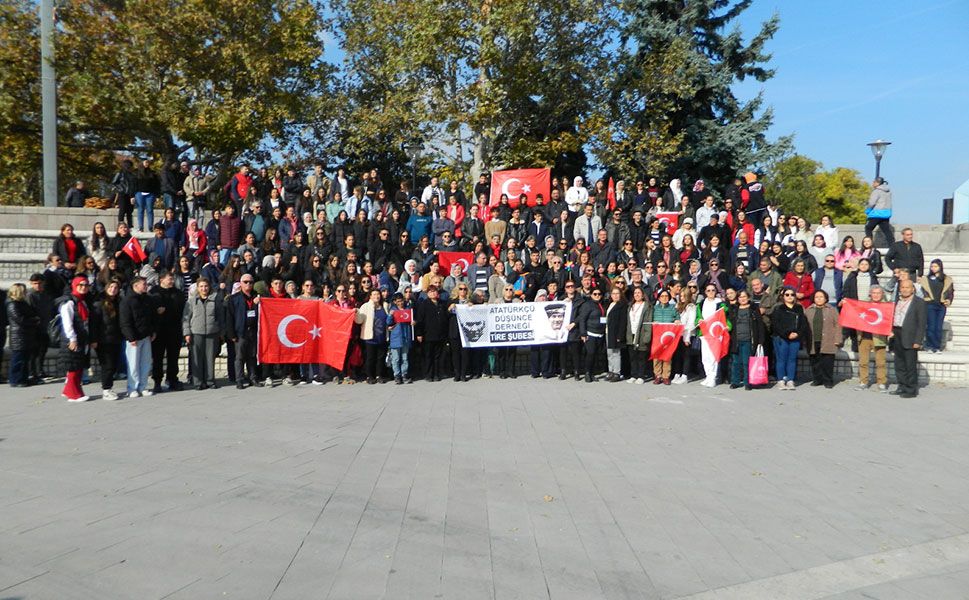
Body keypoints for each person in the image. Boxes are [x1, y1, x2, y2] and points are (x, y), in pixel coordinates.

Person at [182, 278, 223, 390]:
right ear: (198, 288)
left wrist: (220, 332)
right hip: (196, 333)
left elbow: (220, 317)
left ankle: (210, 381)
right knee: (197, 358)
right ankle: (198, 382)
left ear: (209, 287)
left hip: (212, 332)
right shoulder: (191, 301)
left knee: (210, 358)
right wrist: (187, 333)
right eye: (201, 286)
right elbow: (186, 318)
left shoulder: (215, 299)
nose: (204, 288)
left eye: (206, 286)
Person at [150, 270, 186, 393]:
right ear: (161, 279)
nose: (172, 281)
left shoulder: (179, 294)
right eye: (169, 279)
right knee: (158, 358)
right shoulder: (153, 293)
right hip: (159, 331)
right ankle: (157, 381)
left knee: (173, 357)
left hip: (174, 330)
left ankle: (172, 379)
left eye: (172, 279)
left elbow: (181, 310)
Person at [120, 276, 156, 398]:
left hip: (146, 336)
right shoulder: (127, 301)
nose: (146, 286)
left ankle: (143, 386)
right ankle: (132, 388)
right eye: (144, 284)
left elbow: (151, 317)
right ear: (135, 286)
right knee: (133, 364)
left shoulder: (147, 299)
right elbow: (125, 321)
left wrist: (152, 331)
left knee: (145, 363)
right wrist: (131, 337)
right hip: (134, 338)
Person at [59, 276, 93, 402]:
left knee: (78, 366)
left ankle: (72, 390)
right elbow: (67, 322)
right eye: (80, 285)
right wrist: (72, 338)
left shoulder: (82, 301)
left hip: (82, 337)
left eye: (86, 285)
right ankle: (73, 394)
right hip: (73, 338)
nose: (84, 288)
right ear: (74, 286)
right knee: (73, 367)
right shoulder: (69, 302)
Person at [227, 275, 264, 389]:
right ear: (241, 283)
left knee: (252, 356)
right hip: (240, 332)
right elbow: (229, 317)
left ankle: (253, 378)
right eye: (246, 282)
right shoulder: (234, 298)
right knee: (239, 357)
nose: (248, 284)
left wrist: (259, 303)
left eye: (251, 282)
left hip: (253, 331)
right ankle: (239, 379)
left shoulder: (257, 297)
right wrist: (231, 334)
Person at [892, 280, 926, 398]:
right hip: (897, 333)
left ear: (913, 289)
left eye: (907, 287)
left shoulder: (919, 302)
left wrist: (918, 341)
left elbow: (922, 324)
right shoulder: (897, 301)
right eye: (902, 287)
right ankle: (902, 386)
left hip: (910, 336)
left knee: (910, 365)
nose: (905, 289)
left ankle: (911, 389)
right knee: (899, 363)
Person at [771, 286, 808, 390]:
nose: (790, 296)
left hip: (795, 338)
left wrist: (797, 333)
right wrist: (787, 334)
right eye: (787, 295)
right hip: (782, 338)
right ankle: (781, 380)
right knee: (781, 359)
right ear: (783, 297)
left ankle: (790, 380)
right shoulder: (778, 309)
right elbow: (776, 325)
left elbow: (803, 324)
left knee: (792, 359)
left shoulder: (799, 308)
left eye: (792, 294)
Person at [727, 289, 765, 390]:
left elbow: (760, 325)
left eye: (744, 296)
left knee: (746, 362)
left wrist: (761, 340)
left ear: (748, 297)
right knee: (735, 362)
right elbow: (729, 323)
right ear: (737, 299)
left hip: (749, 340)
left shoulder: (753, 309)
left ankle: (747, 382)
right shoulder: (734, 309)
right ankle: (735, 381)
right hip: (736, 340)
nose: (742, 299)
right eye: (740, 297)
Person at [855, 285, 890, 393]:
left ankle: (881, 383)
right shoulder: (863, 305)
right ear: (870, 294)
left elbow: (889, 321)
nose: (876, 295)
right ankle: (863, 382)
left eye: (878, 293)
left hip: (879, 337)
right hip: (864, 336)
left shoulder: (887, 306)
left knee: (880, 362)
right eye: (874, 293)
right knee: (863, 361)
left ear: (882, 294)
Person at [5, 283, 39, 388]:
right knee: (18, 359)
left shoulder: (22, 303)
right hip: (18, 336)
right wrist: (34, 320)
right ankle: (15, 380)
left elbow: (31, 313)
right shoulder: (12, 304)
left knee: (25, 359)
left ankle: (23, 378)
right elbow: (20, 319)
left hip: (26, 335)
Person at [805, 289, 839, 388]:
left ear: (825, 298)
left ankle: (828, 380)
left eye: (821, 297)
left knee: (827, 361)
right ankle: (817, 379)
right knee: (815, 361)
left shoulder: (832, 310)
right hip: (813, 339)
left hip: (828, 339)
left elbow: (838, 325)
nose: (819, 299)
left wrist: (838, 339)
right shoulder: (808, 310)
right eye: (816, 297)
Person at [414, 285, 449, 381]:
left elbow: (446, 318)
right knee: (428, 355)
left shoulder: (442, 304)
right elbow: (420, 320)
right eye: (431, 292)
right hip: (428, 334)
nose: (433, 293)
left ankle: (437, 374)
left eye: (435, 291)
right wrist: (419, 333)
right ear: (428, 293)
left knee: (438, 356)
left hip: (440, 334)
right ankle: (429, 374)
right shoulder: (424, 304)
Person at [919, 259, 953, 353]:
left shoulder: (946, 279)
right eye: (932, 266)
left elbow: (950, 291)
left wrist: (948, 300)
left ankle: (937, 347)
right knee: (931, 326)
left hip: (941, 305)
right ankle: (929, 346)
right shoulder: (927, 279)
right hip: (930, 304)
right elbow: (923, 290)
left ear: (940, 267)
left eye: (935, 266)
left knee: (938, 327)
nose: (933, 268)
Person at [696, 283, 726, 387]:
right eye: (708, 290)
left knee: (713, 356)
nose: (711, 292)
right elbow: (698, 316)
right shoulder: (701, 303)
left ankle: (713, 377)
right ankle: (708, 376)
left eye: (713, 290)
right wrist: (698, 321)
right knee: (705, 356)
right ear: (705, 292)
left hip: (715, 333)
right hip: (704, 332)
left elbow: (724, 314)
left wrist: (723, 305)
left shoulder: (720, 303)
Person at [356, 289, 389, 384]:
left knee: (381, 358)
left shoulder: (385, 305)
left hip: (382, 337)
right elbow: (359, 321)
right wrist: (356, 313)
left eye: (378, 294)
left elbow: (388, 319)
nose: (376, 296)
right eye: (374, 294)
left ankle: (379, 375)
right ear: (370, 296)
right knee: (370, 358)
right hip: (370, 338)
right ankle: (369, 376)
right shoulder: (365, 306)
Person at [577, 287, 606, 382]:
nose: (597, 296)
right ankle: (587, 373)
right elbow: (582, 319)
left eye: (599, 294)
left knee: (596, 354)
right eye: (595, 294)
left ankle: (592, 373)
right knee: (590, 353)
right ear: (591, 295)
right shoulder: (588, 305)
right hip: (590, 333)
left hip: (600, 333)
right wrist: (583, 333)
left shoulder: (602, 304)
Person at [651, 289, 679, 385]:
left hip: (668, 335)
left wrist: (677, 321)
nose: (664, 298)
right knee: (657, 356)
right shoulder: (655, 308)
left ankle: (666, 376)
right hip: (657, 336)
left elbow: (677, 318)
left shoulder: (673, 308)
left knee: (667, 356)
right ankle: (657, 376)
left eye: (666, 296)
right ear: (659, 298)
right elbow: (650, 319)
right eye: (662, 296)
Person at [387, 291, 414, 384]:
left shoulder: (408, 309)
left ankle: (404, 374)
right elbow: (388, 322)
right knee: (396, 358)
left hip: (405, 336)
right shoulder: (393, 310)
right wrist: (390, 315)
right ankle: (397, 375)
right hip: (396, 337)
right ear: (395, 302)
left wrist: (413, 322)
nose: (400, 303)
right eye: (398, 301)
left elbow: (412, 320)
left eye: (401, 300)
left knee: (405, 357)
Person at [604, 287, 628, 382]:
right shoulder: (610, 304)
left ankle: (617, 372)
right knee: (609, 353)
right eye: (613, 293)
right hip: (608, 331)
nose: (615, 295)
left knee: (616, 353)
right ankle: (611, 370)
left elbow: (623, 322)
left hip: (616, 332)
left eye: (617, 293)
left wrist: (620, 335)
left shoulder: (622, 305)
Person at [864, 177, 893, 246]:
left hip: (876, 214)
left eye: (874, 182)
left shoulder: (876, 191)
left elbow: (871, 203)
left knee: (868, 228)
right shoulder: (888, 192)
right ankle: (892, 246)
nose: (873, 183)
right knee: (887, 231)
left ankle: (869, 245)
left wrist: (868, 210)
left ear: (877, 183)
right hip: (886, 214)